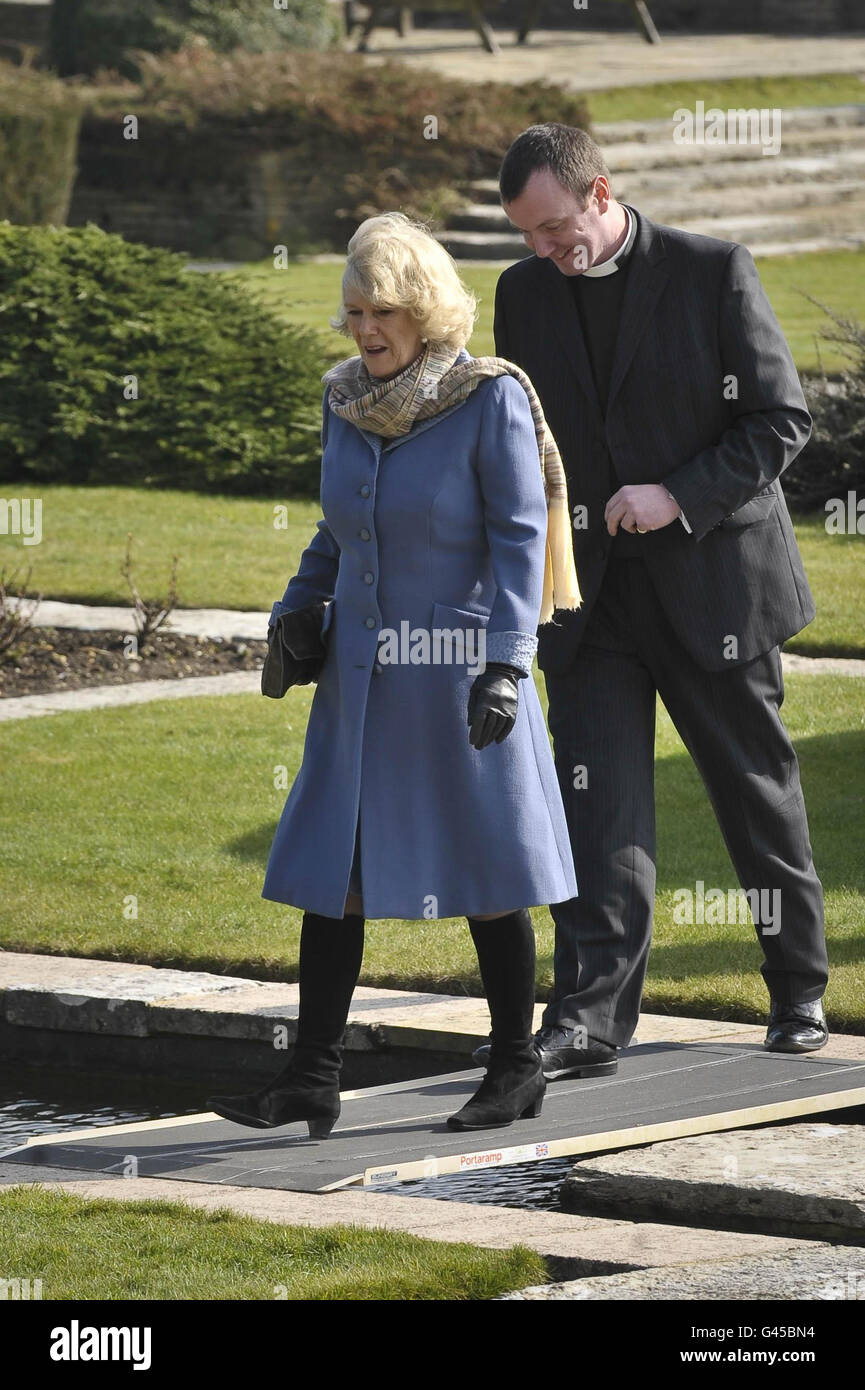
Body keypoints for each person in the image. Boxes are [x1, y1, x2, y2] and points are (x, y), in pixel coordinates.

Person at [207, 211, 581, 1136]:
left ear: (422, 311)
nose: (363, 328)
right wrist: (296, 608)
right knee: (336, 873)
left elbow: (517, 542)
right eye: (351, 312)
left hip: (462, 681)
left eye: (380, 310)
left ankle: (514, 1067)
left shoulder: (485, 398)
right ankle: (309, 1078)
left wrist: (505, 665)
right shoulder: (343, 400)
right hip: (360, 682)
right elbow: (337, 530)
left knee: (490, 872)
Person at [476, 122, 830, 1082]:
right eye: (527, 237)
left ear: (600, 193)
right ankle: (589, 1018)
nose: (544, 251)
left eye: (553, 228)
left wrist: (674, 496)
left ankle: (797, 988)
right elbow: (527, 440)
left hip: (714, 584)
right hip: (587, 604)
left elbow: (779, 419)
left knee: (753, 795)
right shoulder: (521, 294)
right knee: (598, 812)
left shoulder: (713, 271)